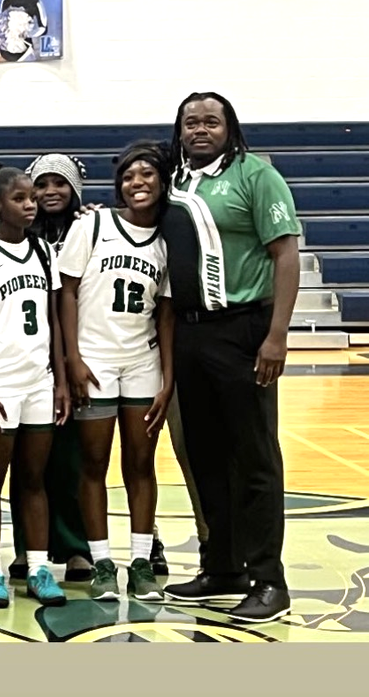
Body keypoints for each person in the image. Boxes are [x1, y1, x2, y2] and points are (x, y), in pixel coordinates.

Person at [159, 92, 300, 624]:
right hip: (192, 335)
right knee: (206, 456)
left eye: (210, 120)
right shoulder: (174, 180)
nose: (199, 129)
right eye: (190, 121)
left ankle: (270, 580)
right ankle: (222, 568)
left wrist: (277, 335)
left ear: (229, 126)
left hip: (245, 330)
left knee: (255, 459)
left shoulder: (256, 175)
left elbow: (286, 254)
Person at [58, 141, 174, 602]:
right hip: (95, 360)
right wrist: (73, 359)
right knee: (93, 464)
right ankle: (103, 561)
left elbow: (165, 315)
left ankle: (141, 561)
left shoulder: (168, 239)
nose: (136, 183)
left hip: (143, 361)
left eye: (146, 175)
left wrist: (168, 376)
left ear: (162, 182)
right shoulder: (94, 224)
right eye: (128, 176)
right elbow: (64, 293)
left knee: (141, 465)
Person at [0, 167, 71, 609]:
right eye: (20, 198)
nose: (31, 203)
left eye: (32, 197)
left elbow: (55, 320)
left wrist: (60, 380)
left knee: (34, 479)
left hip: (38, 379)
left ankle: (39, 568)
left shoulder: (44, 251)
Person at [7, 153, 93, 582]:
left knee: (71, 462)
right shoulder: (20, 237)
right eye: (41, 185)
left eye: (60, 183)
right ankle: (26, 547)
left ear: (76, 188)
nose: (49, 192)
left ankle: (76, 548)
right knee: (27, 463)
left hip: (78, 361)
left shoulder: (92, 229)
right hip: (27, 362)